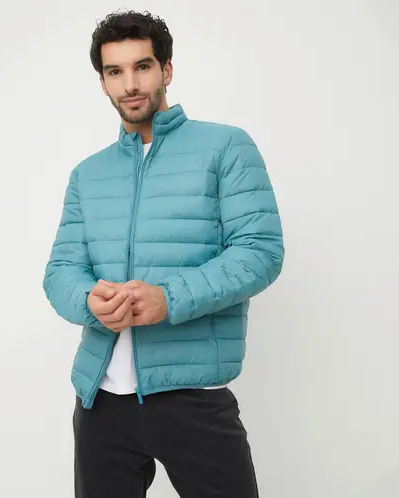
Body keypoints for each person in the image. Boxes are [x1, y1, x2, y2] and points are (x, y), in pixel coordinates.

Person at [42, 9, 284, 498]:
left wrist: (168, 299)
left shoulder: (226, 147)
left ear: (166, 70)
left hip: (193, 396)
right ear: (103, 82)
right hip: (100, 400)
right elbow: (61, 271)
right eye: (115, 71)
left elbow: (260, 251)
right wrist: (89, 300)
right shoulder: (88, 174)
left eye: (143, 66)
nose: (130, 84)